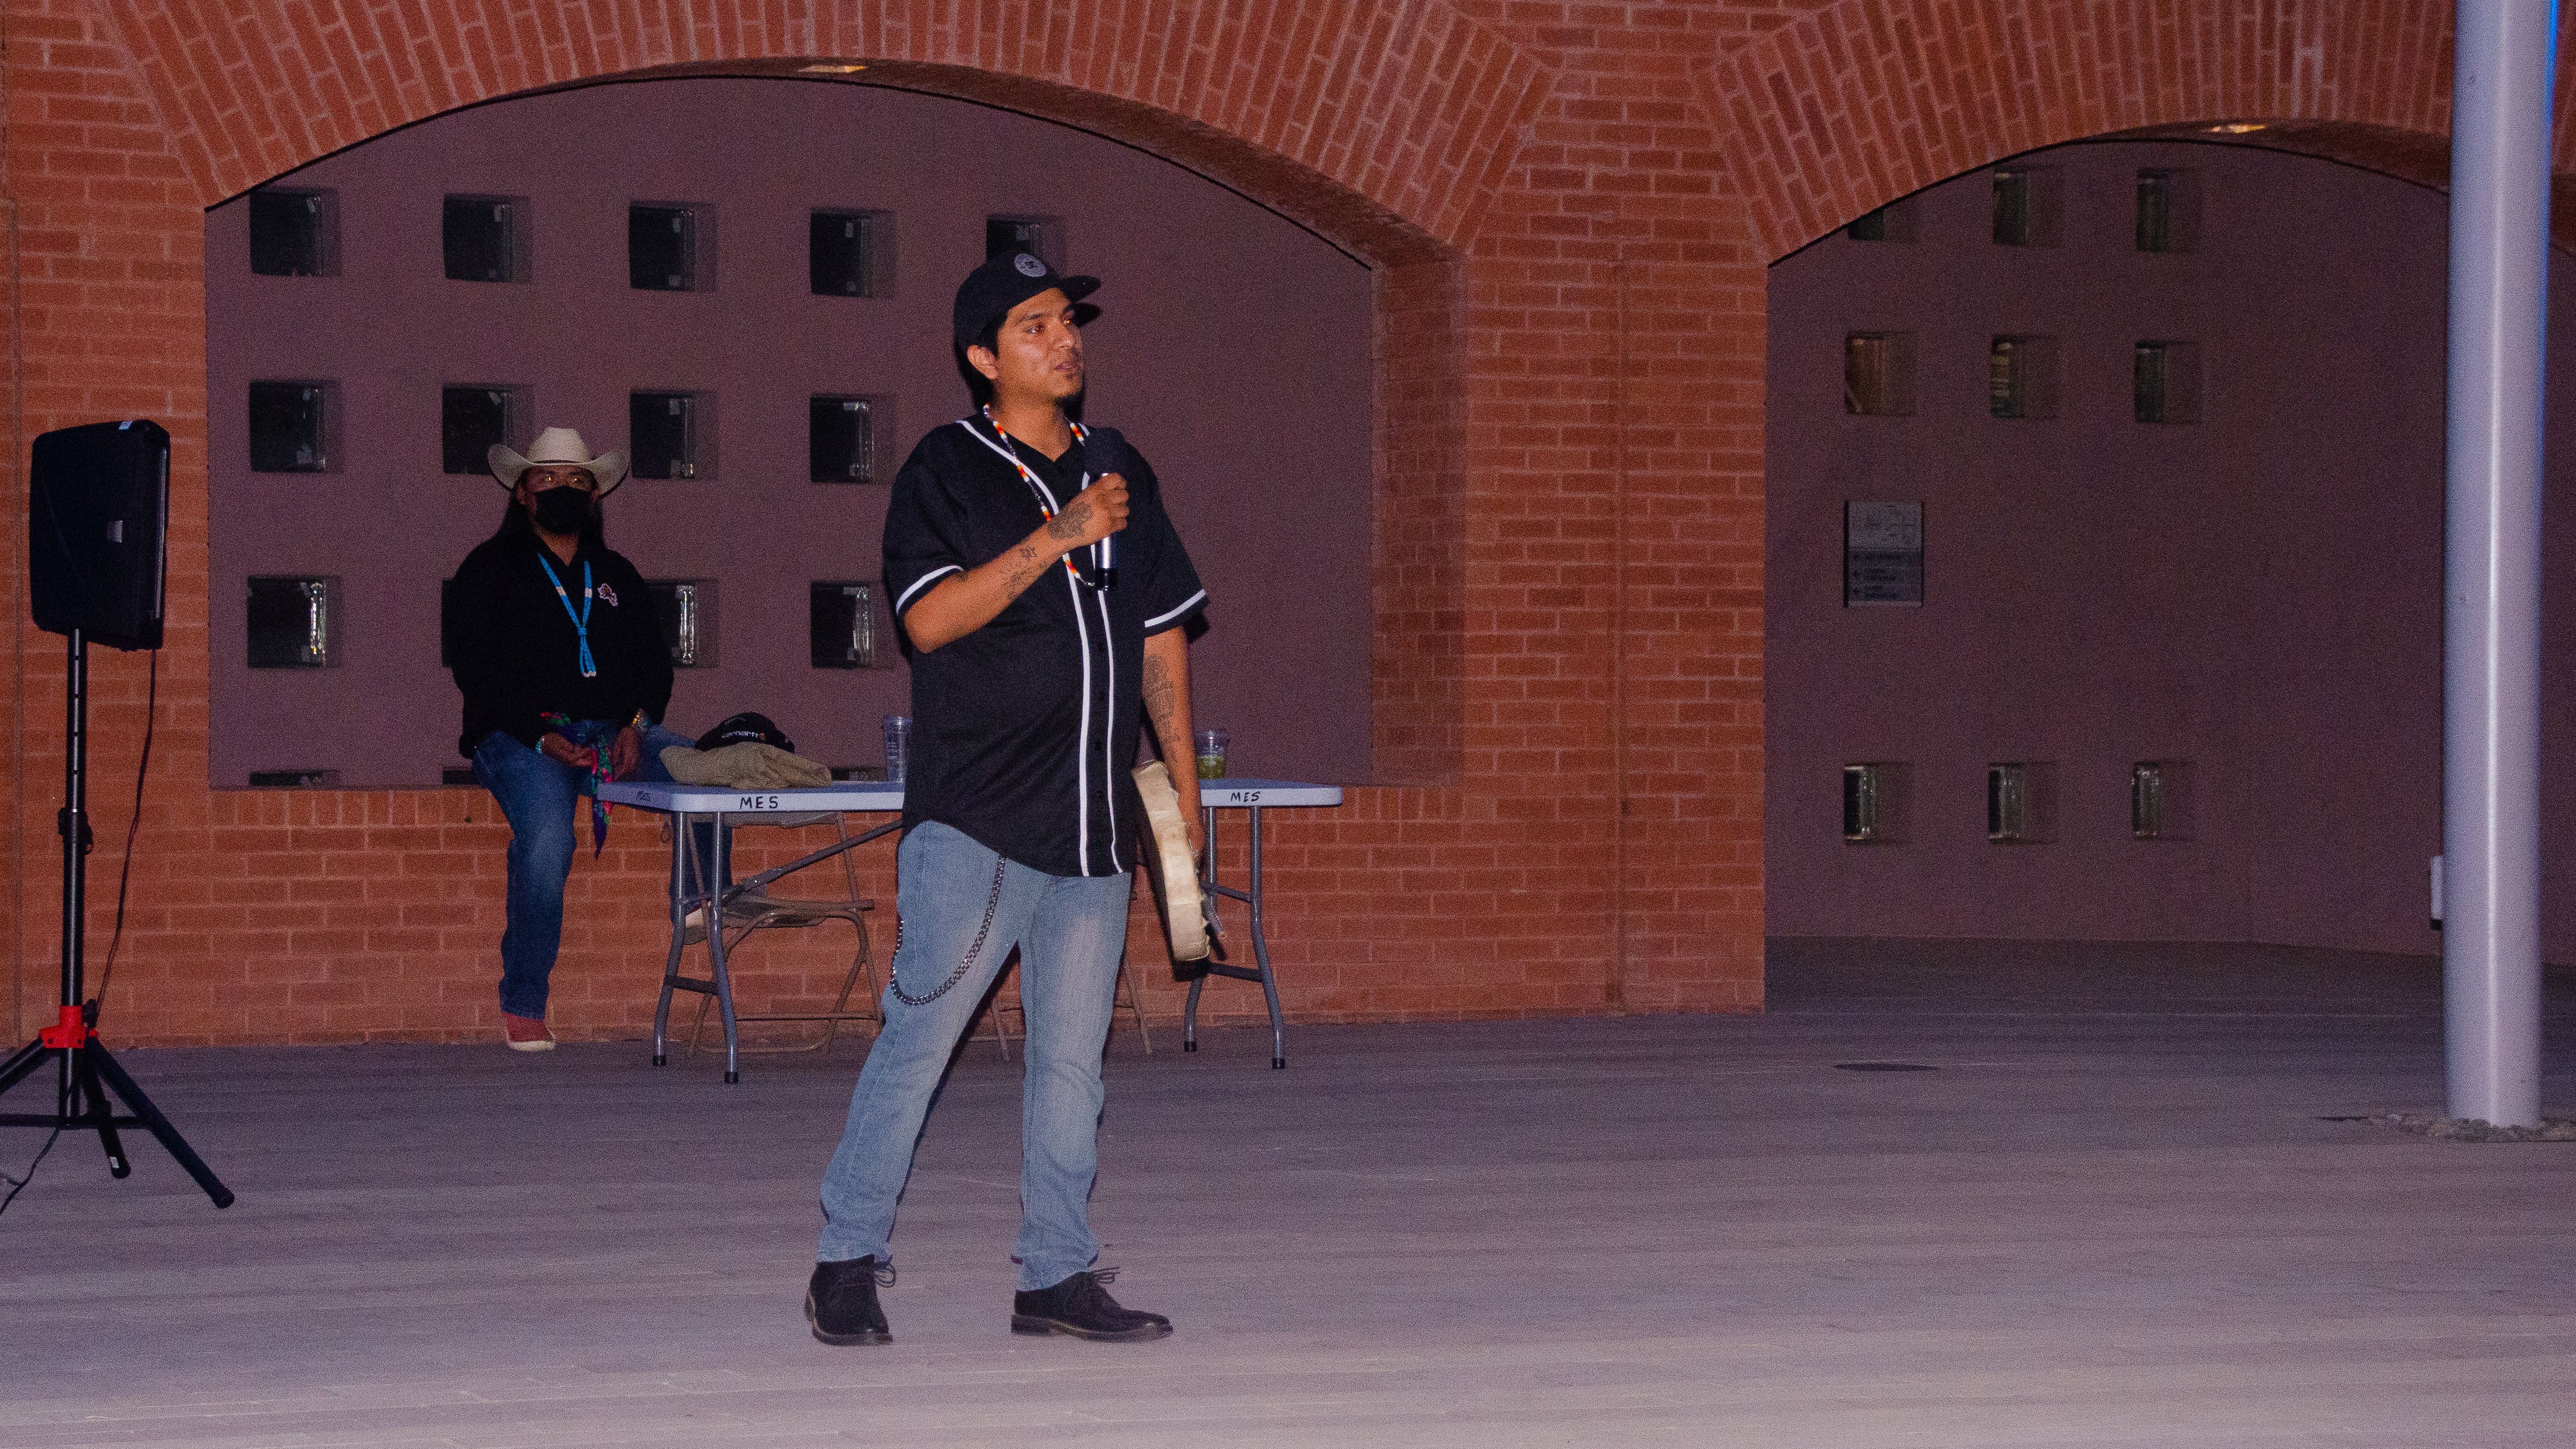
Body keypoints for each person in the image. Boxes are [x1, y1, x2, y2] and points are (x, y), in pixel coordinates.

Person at [805, 251, 1210, 1345]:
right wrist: (1058, 537)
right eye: (1033, 326)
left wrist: (1179, 792)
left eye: (1068, 321)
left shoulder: (1121, 464)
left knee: (1073, 1063)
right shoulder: (946, 468)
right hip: (979, 818)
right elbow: (928, 623)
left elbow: (1164, 632)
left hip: (1090, 824)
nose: (1064, 339)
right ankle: (845, 1257)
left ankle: (1055, 1272)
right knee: (919, 1040)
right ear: (984, 358)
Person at [444, 427, 696, 1051]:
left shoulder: (615, 574)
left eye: (577, 481)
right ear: (523, 493)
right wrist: (539, 736)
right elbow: (475, 671)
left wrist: (636, 727)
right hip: (519, 739)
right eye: (548, 479)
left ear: (595, 495)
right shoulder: (487, 569)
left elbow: (654, 668)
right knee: (550, 838)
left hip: (611, 735)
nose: (562, 490)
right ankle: (524, 1000)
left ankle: (695, 901)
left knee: (706, 771)